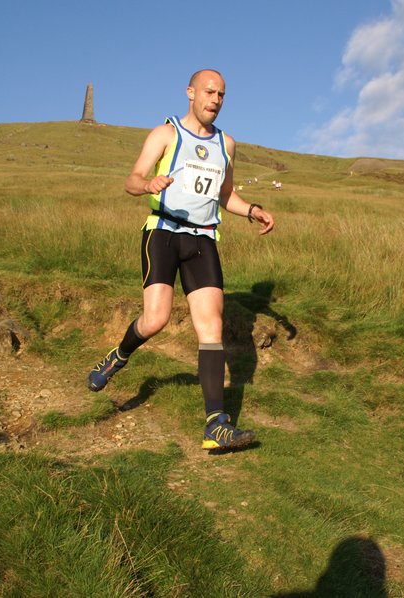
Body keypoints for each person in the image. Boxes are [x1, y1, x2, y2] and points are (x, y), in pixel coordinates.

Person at [87, 69, 275, 451]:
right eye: (209, 92)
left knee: (211, 326)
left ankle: (215, 425)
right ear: (191, 92)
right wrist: (147, 184)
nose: (215, 100)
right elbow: (132, 179)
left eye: (221, 95)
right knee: (155, 319)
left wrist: (252, 209)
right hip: (163, 233)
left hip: (203, 238)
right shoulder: (165, 134)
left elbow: (225, 194)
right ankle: (119, 355)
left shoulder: (227, 144)